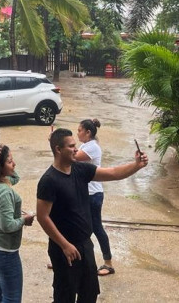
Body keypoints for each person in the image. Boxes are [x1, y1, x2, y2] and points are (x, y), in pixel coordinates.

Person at [37, 128, 148, 303]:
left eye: (75, 145)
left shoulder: (80, 169)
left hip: (85, 245)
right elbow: (42, 217)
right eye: (71, 146)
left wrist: (136, 165)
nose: (76, 149)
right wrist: (65, 245)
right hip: (63, 250)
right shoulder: (49, 180)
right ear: (58, 149)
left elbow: (113, 173)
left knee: (89, 293)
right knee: (64, 297)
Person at [0, 144, 35, 303]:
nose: (14, 164)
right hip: (3, 251)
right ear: (0, 167)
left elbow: (16, 178)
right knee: (12, 298)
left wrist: (5, 163)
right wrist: (24, 219)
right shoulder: (4, 191)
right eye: (10, 162)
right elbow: (7, 225)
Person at [74, 118, 113, 277]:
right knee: (78, 226)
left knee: (96, 228)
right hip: (86, 194)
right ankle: (70, 257)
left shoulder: (92, 148)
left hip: (93, 195)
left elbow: (73, 157)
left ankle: (108, 263)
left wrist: (58, 144)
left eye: (79, 130)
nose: (77, 133)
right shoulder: (86, 145)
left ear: (88, 132)